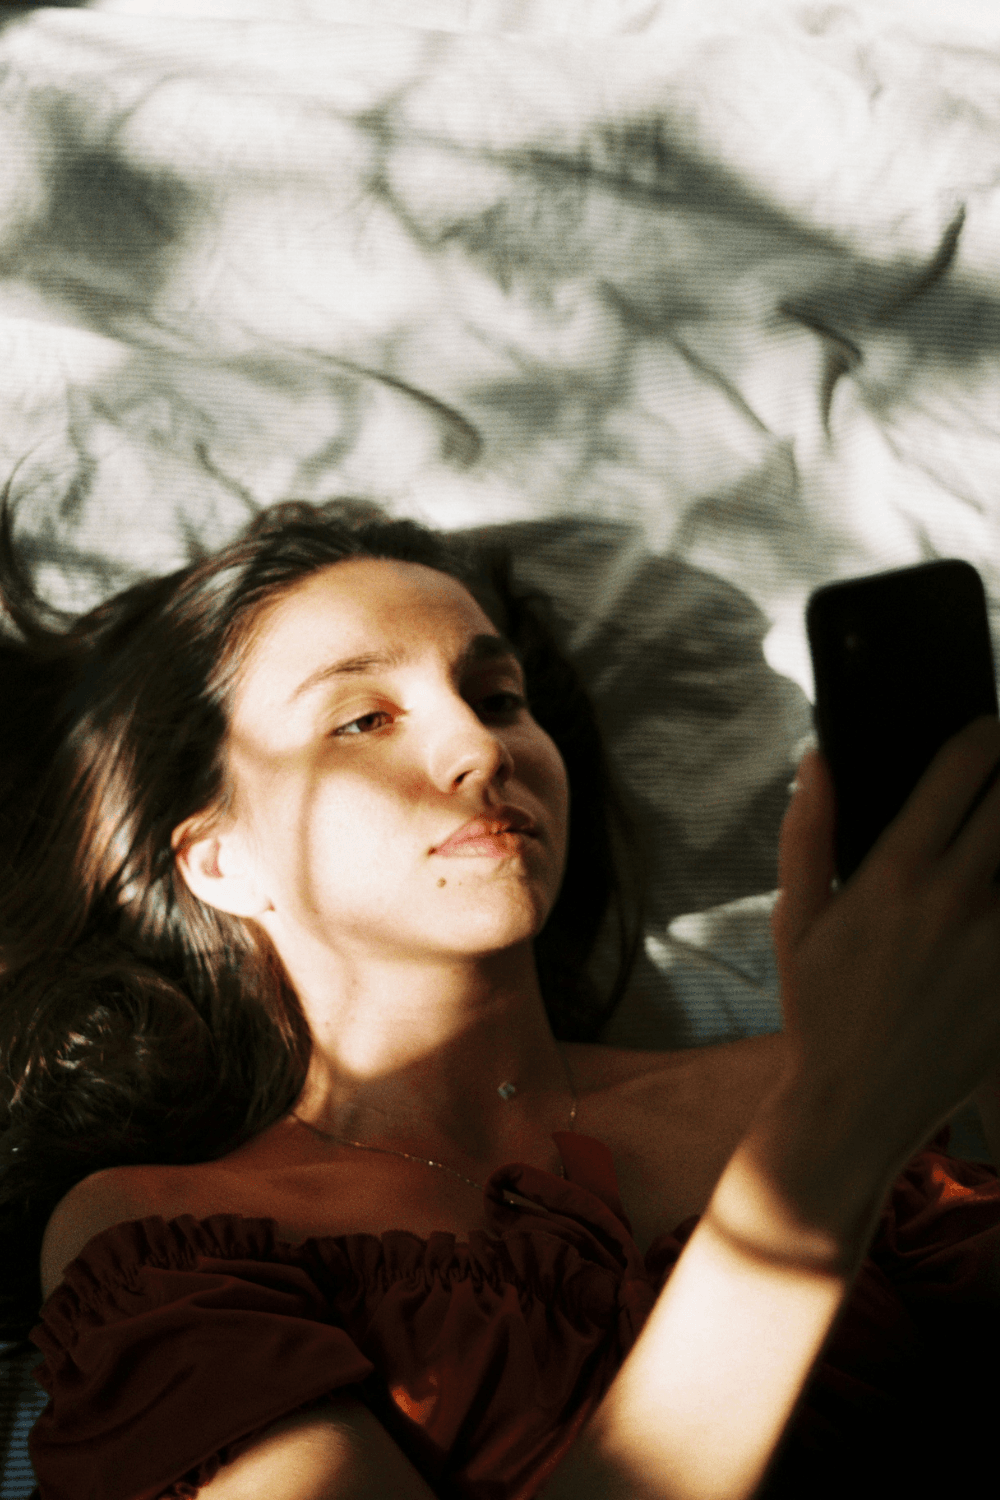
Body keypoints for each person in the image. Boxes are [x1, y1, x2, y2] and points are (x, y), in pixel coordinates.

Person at [1, 496, 998, 1500]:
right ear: (215, 860)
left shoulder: (826, 1072)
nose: (482, 749)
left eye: (499, 696)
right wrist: (831, 1143)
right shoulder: (163, 1232)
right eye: (365, 718)